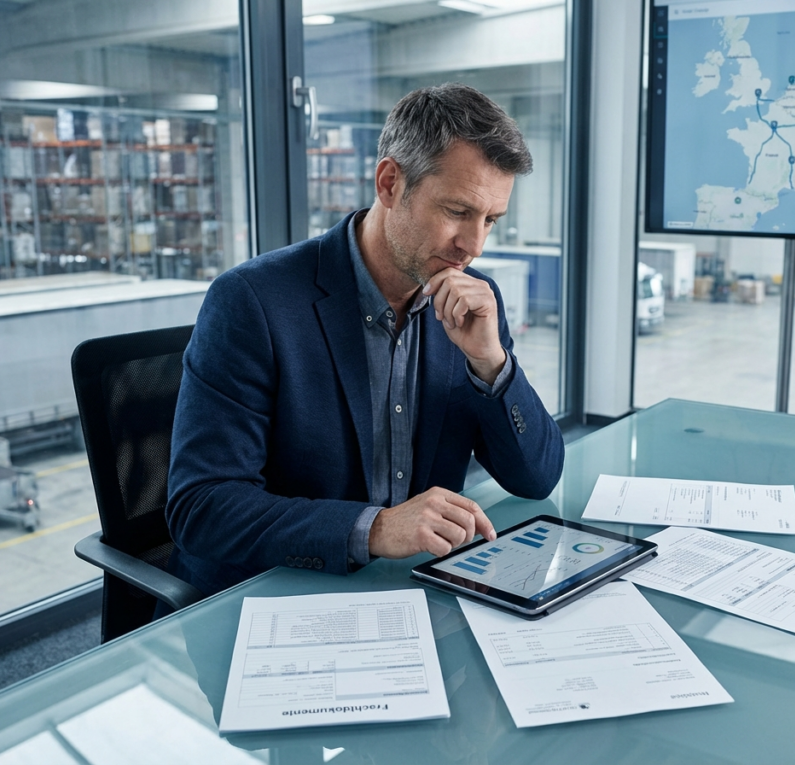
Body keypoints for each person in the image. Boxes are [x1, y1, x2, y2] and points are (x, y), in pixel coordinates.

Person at [164, 83, 565, 597]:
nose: (474, 245)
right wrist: (375, 528)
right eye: (458, 212)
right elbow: (202, 507)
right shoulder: (251, 302)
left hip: (411, 591)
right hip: (280, 597)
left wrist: (491, 362)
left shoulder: (473, 301)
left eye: (490, 220)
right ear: (390, 182)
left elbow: (537, 477)